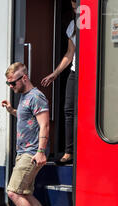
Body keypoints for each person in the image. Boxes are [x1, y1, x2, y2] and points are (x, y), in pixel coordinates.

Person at [2, 62, 57, 206]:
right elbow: (28, 119)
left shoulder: (37, 97)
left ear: (24, 78)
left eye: (13, 83)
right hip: (25, 152)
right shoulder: (25, 97)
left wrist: (41, 151)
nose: (11, 87)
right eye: (8, 83)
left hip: (32, 152)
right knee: (25, 192)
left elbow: (44, 125)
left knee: (13, 192)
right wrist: (12, 111)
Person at [41, 0, 77, 164]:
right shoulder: (72, 25)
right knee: (69, 111)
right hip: (75, 72)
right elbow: (70, 53)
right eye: (75, 2)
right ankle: (69, 151)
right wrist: (55, 74)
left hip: (93, 75)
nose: (76, 5)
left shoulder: (93, 20)